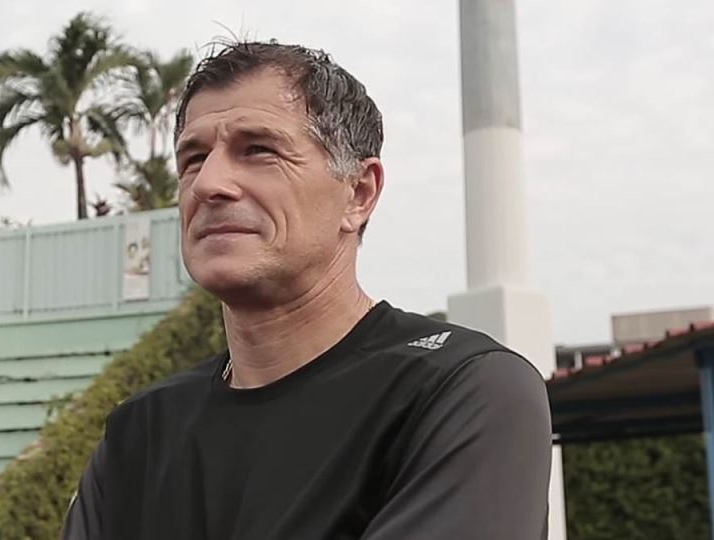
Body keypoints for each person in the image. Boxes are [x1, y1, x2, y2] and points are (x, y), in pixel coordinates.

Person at [62, 41, 551, 540]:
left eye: (258, 150)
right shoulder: (139, 433)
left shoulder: (460, 391)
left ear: (359, 193)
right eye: (193, 158)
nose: (209, 184)